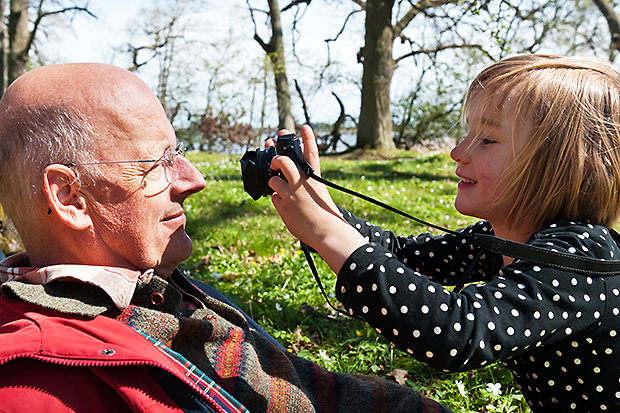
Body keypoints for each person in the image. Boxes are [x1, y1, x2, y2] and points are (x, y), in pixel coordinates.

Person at [0, 63, 452, 412]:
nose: (194, 179)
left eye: (177, 153)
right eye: (157, 163)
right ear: (71, 198)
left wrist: (328, 221)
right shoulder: (41, 385)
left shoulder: (151, 289)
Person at [269, 54, 620, 412]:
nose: (458, 151)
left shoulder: (581, 256)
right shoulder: (499, 238)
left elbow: (458, 332)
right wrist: (319, 207)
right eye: (468, 133)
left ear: (565, 167)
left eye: (487, 140)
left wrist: (329, 234)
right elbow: (403, 256)